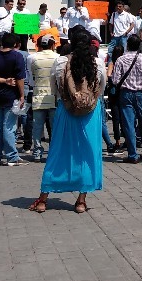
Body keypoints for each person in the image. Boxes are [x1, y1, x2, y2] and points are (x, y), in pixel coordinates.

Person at [29, 28, 105, 214]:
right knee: (88, 153)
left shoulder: (61, 61)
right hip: (90, 113)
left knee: (58, 151)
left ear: (70, 42)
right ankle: (80, 201)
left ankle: (43, 199)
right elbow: (102, 88)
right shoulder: (98, 63)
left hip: (66, 110)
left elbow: (54, 88)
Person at [0, 33, 28, 166]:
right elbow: (20, 78)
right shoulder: (17, 56)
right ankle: (12, 157)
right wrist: (22, 95)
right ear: (15, 44)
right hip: (11, 96)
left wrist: (3, 81)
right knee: (9, 126)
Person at [112, 34, 142, 163]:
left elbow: (115, 80)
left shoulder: (120, 60)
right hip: (141, 93)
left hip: (126, 94)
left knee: (129, 124)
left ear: (128, 45)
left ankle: (133, 154)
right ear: (139, 46)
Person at [24, 34, 60, 159]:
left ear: (39, 45)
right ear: (52, 45)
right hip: (54, 95)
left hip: (38, 94)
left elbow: (30, 81)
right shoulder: (58, 58)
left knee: (37, 126)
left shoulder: (31, 58)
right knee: (55, 126)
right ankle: (54, 151)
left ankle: (37, 152)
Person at [105, 44, 126, 154]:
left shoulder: (112, 63)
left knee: (116, 119)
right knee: (124, 118)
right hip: (122, 93)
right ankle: (127, 139)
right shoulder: (123, 63)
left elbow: (109, 76)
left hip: (113, 95)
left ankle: (117, 141)